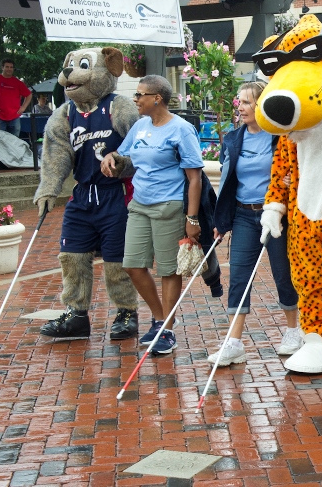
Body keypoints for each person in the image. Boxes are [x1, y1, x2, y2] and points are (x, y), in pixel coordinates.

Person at [33, 46, 140, 340]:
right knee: (72, 255)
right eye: (69, 66)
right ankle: (76, 315)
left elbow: (141, 146)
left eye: (80, 65)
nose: (70, 73)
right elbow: (56, 154)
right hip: (81, 196)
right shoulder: (65, 113)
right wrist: (49, 189)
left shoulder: (119, 106)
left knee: (117, 258)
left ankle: (126, 311)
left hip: (115, 193)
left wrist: (123, 163)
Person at [101, 75, 205, 355]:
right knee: (133, 265)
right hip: (139, 205)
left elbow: (194, 178)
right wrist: (111, 156)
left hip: (168, 206)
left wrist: (192, 219)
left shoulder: (181, 130)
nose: (135, 99)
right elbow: (124, 155)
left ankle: (167, 329)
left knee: (168, 270)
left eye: (139, 95)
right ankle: (161, 319)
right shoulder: (140, 126)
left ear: (156, 98)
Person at [208, 82, 301, 365]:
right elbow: (226, 180)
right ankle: (234, 343)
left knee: (283, 274)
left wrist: (290, 179)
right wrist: (220, 220)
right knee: (238, 276)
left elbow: (298, 167)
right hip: (243, 215)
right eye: (239, 102)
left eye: (246, 102)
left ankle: (293, 331)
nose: (241, 107)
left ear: (261, 105)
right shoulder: (234, 139)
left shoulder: (280, 136)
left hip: (276, 214)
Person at [0, 59, 33, 137]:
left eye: (11, 67)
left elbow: (29, 95)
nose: (9, 69)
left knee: (15, 140)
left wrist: (23, 107)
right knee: (0, 140)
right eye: (7, 67)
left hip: (15, 116)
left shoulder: (17, 82)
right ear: (2, 67)